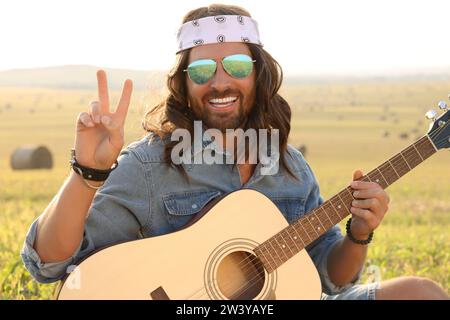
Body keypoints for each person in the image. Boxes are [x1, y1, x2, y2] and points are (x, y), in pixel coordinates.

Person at [21, 4, 448, 300]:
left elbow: (328, 278)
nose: (221, 81)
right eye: (203, 69)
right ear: (184, 84)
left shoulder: (289, 167)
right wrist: (87, 174)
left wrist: (358, 234)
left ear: (258, 74)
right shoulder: (150, 165)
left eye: (238, 67)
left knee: (421, 293)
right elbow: (51, 266)